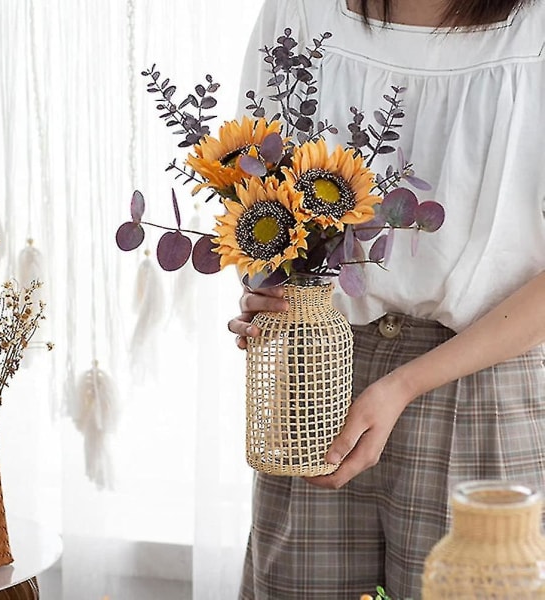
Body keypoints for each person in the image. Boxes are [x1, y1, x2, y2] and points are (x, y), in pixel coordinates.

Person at [228, 0, 545, 598]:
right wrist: (267, 292)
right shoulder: (299, 12)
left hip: (483, 384)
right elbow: (251, 188)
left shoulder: (534, 32)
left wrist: (402, 384)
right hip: (315, 370)